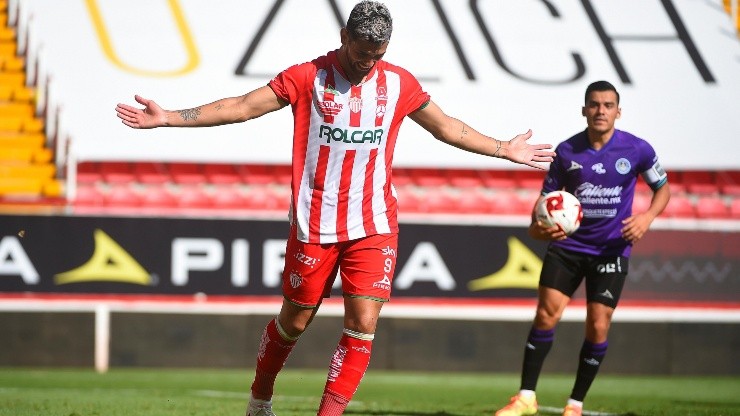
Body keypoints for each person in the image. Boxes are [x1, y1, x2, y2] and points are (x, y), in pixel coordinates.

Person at [116, 2, 554, 415]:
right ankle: (260, 396)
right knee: (295, 321)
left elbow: (447, 127)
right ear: (344, 36)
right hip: (315, 224)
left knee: (363, 322)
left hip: (374, 222)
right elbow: (242, 107)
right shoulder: (308, 77)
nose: (368, 60)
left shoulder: (398, 83)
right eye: (362, 51)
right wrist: (170, 117)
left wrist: (503, 149)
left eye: (377, 53)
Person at [493, 80, 671, 416]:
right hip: (569, 247)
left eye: (607, 105)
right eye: (594, 104)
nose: (600, 111)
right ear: (584, 109)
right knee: (546, 315)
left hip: (611, 250)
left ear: (618, 111)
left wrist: (646, 218)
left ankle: (575, 405)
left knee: (598, 325)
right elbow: (545, 203)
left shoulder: (638, 150)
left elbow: (662, 189)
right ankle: (526, 397)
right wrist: (539, 228)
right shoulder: (567, 151)